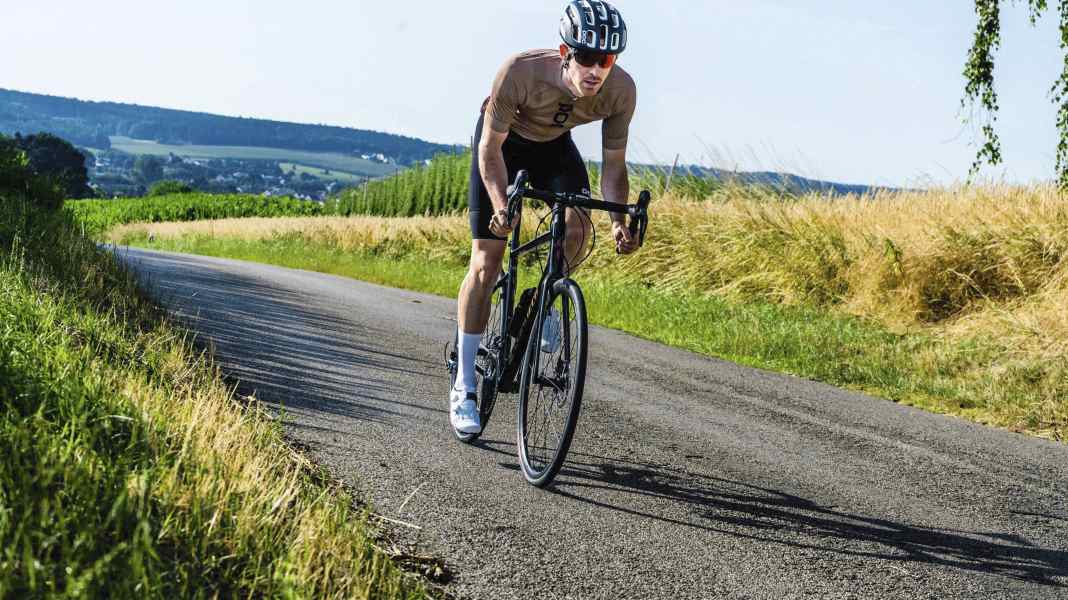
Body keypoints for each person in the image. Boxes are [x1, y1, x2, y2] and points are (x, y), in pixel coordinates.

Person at [451, 0, 639, 434]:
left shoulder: (621, 91)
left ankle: (546, 300)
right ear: (565, 53)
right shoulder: (520, 71)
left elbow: (614, 167)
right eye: (587, 58)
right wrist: (501, 207)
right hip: (503, 145)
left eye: (606, 59)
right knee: (487, 260)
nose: (596, 70)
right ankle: (465, 385)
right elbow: (489, 151)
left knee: (578, 225)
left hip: (554, 146)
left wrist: (617, 222)